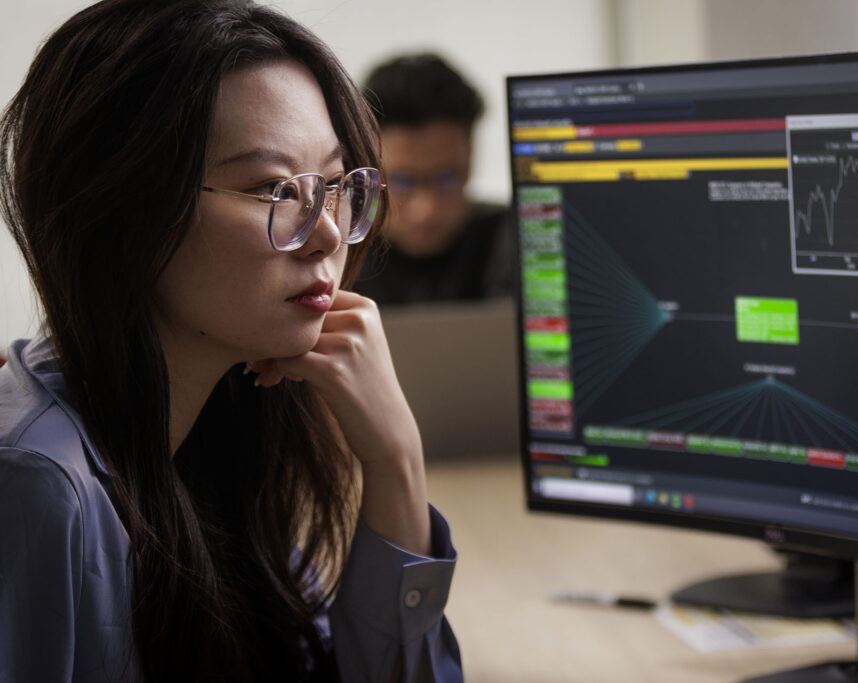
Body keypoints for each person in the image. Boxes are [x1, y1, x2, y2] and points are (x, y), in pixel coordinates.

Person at [0, 2, 461, 682]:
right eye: (276, 188)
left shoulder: (226, 410)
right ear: (125, 212)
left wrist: (395, 457)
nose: (330, 233)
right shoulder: (37, 486)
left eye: (333, 185)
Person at [355, 54, 514, 305]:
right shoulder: (335, 254)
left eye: (447, 178)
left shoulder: (516, 240)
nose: (426, 210)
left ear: (472, 156)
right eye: (402, 182)